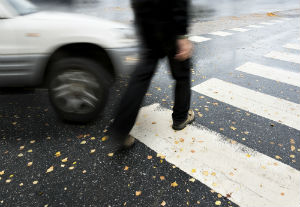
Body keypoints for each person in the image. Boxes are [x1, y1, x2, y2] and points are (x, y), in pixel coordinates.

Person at [110, 0, 194, 149]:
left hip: (146, 21)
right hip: (169, 22)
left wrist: (140, 18)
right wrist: (182, 35)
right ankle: (180, 118)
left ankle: (120, 129)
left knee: (140, 78)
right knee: (182, 74)